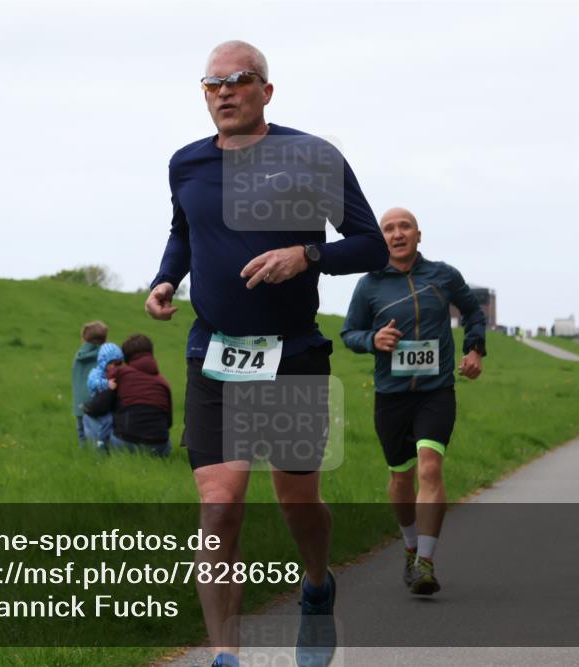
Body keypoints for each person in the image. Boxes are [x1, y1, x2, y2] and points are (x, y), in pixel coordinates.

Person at [144, 40, 388, 667]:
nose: (223, 91)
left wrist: (306, 255)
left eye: (239, 79)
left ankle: (315, 585)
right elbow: (183, 231)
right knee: (220, 503)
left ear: (266, 91)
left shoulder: (311, 155)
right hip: (215, 353)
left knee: (295, 499)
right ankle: (227, 655)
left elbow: (368, 246)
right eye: (211, 83)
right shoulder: (186, 164)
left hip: (293, 353)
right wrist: (165, 279)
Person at [342, 207, 485, 597]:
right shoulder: (369, 285)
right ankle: (409, 546)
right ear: (381, 239)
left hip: (436, 392)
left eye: (404, 226)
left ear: (419, 235)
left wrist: (474, 350)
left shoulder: (443, 275)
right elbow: (348, 333)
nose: (397, 233)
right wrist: (372, 340)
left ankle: (426, 560)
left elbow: (473, 312)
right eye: (388, 229)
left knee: (429, 467)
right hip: (391, 396)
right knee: (400, 478)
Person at [103, 334, 173, 457]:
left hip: (125, 442)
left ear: (126, 357)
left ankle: (96, 453)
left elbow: (101, 404)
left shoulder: (120, 373)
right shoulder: (163, 383)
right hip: (158, 447)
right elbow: (169, 422)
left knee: (91, 415)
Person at [72, 321, 107, 446]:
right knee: (98, 431)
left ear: (84, 338)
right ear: (104, 339)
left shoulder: (79, 355)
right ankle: (98, 453)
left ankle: (83, 452)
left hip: (79, 403)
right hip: (97, 402)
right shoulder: (106, 356)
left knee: (81, 431)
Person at [84, 342, 124, 449]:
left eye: (118, 364)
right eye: (112, 364)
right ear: (103, 362)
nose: (115, 367)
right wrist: (106, 384)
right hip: (98, 402)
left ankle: (111, 443)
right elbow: (92, 382)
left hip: (109, 404)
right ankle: (101, 443)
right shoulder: (96, 373)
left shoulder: (115, 373)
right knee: (107, 421)